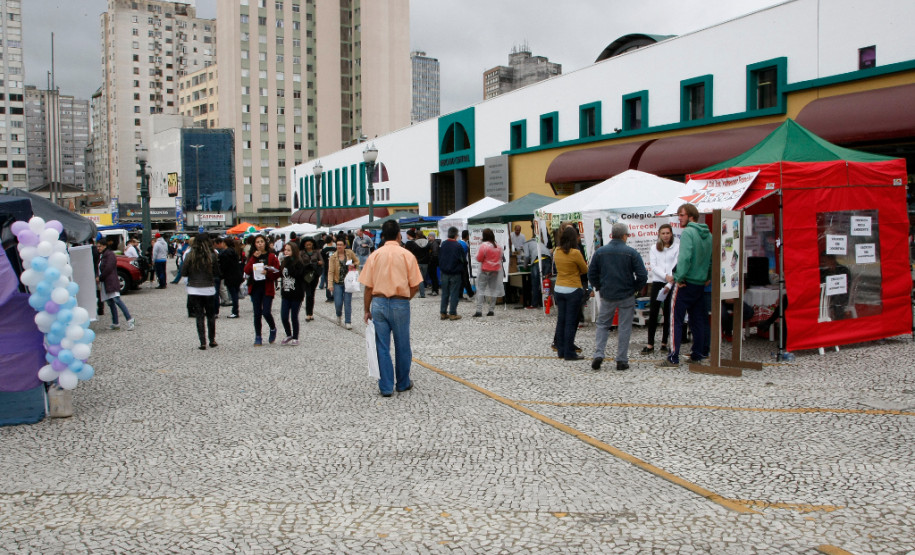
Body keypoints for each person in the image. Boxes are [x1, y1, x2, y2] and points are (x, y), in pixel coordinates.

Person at [359, 219, 423, 397]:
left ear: (383, 235)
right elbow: (416, 285)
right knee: (402, 345)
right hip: (400, 302)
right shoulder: (407, 255)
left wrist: (366, 309)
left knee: (382, 346)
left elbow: (368, 287)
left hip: (378, 302)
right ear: (398, 235)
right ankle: (402, 383)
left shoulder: (375, 255)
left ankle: (386, 387)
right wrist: (405, 299)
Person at [589, 223, 648, 371]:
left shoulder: (600, 252)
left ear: (611, 235)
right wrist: (634, 288)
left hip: (607, 293)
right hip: (626, 294)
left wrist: (599, 286)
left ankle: (599, 354)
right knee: (624, 327)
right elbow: (642, 275)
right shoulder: (632, 253)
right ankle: (621, 360)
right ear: (624, 236)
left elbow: (591, 273)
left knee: (603, 324)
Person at [659, 203, 712, 368]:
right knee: (699, 319)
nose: (679, 218)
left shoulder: (688, 232)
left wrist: (679, 277)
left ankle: (673, 357)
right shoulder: (708, 235)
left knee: (676, 318)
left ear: (691, 216)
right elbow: (711, 258)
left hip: (686, 281)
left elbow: (685, 257)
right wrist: (707, 276)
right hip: (700, 282)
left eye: (681, 215)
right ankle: (700, 353)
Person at [552, 226, 589, 361]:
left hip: (559, 288)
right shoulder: (575, 253)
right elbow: (584, 269)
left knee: (561, 321)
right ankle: (569, 352)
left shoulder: (557, 251)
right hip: (573, 288)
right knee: (571, 322)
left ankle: (561, 350)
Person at [642, 224, 678, 354]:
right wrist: (665, 276)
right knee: (654, 313)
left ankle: (664, 342)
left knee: (669, 312)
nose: (665, 236)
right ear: (659, 234)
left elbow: (676, 264)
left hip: (671, 283)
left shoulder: (676, 248)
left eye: (668, 233)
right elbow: (654, 266)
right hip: (658, 281)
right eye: (663, 233)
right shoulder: (654, 248)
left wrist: (670, 280)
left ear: (671, 234)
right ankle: (650, 343)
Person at [181, 232, 220, 350]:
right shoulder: (212, 255)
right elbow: (217, 272)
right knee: (210, 315)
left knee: (199, 316)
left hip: (194, 289)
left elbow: (184, 272)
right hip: (208, 288)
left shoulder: (190, 255)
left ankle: (202, 342)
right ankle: (212, 339)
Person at [243, 234, 281, 346]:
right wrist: (254, 258)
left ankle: (273, 328)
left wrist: (268, 272)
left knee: (266, 312)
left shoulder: (271, 256)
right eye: (257, 242)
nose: (260, 244)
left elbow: (277, 272)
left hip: (267, 287)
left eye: (261, 241)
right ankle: (258, 336)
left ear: (265, 243)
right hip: (255, 287)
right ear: (254, 244)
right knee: (257, 313)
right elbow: (247, 270)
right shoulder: (252, 256)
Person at [97, 237, 135, 331]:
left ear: (105, 246)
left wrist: (100, 277)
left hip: (110, 281)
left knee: (117, 300)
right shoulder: (103, 255)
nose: (98, 248)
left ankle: (129, 319)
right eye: (97, 246)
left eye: (100, 246)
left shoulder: (109, 255)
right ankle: (115, 322)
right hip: (106, 282)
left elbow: (108, 268)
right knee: (111, 303)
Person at [328, 237, 360, 329]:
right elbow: (330, 272)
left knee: (347, 302)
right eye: (338, 245)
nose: (339, 246)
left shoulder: (349, 253)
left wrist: (353, 265)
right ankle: (338, 315)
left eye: (341, 245)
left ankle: (348, 321)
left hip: (348, 282)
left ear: (344, 246)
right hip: (338, 282)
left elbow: (357, 261)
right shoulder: (333, 257)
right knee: (338, 303)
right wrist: (330, 284)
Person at [473, 228, 505, 317]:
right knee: (493, 290)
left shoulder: (483, 246)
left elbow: (479, 258)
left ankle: (479, 311)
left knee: (481, 290)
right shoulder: (498, 246)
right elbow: (500, 258)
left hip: (484, 270)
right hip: (495, 271)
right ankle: (491, 310)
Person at [279, 241, 306, 345]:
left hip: (296, 293)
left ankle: (295, 336)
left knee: (294, 316)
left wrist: (290, 262)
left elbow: (296, 274)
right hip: (286, 292)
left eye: (288, 250)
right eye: (285, 249)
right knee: (284, 316)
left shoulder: (299, 263)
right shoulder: (284, 261)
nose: (286, 252)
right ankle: (288, 334)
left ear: (294, 251)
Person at [438, 226, 465, 320]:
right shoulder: (458, 246)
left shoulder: (443, 244)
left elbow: (439, 257)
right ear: (456, 235)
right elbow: (462, 259)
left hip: (444, 272)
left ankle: (443, 312)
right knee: (454, 293)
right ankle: (452, 313)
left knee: (445, 293)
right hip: (455, 272)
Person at [217, 236, 243, 319]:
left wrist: (221, 275)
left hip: (230, 276)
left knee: (233, 294)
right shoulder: (234, 252)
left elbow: (223, 266)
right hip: (237, 275)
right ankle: (235, 310)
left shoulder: (225, 253)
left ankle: (235, 311)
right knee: (235, 293)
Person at [522, 234, 551, 309]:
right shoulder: (539, 242)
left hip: (537, 261)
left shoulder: (526, 243)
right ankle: (545, 303)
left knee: (535, 283)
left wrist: (525, 266)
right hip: (548, 259)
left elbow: (527, 256)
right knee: (545, 283)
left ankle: (534, 304)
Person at [404, 228, 431, 298]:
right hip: (426, 262)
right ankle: (422, 291)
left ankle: (422, 293)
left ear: (416, 236)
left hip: (417, 262)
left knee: (420, 278)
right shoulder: (428, 243)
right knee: (423, 277)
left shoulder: (414, 243)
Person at [300, 237, 322, 322]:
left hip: (314, 274)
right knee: (308, 294)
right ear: (304, 245)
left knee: (312, 294)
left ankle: (311, 313)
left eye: (310, 244)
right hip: (305, 275)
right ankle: (308, 313)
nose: (308, 246)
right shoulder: (301, 253)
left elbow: (322, 262)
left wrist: (319, 263)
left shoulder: (317, 252)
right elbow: (299, 262)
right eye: (307, 245)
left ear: (312, 244)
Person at [459, 229, 475, 299]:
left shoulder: (459, 242)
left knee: (462, 280)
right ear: (467, 236)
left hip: (458, 264)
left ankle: (461, 294)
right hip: (462, 264)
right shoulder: (465, 245)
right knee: (465, 279)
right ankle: (470, 293)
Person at [320, 235, 336, 302]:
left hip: (327, 267)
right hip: (335, 267)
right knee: (335, 282)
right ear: (332, 241)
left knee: (328, 283)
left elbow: (322, 259)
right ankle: (335, 296)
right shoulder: (335, 249)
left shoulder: (323, 250)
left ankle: (329, 297)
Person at [427, 231, 440, 296]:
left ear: (433, 237)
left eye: (429, 236)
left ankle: (435, 290)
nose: (428, 237)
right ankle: (433, 290)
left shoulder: (434, 244)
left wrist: (431, 260)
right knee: (432, 277)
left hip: (433, 263)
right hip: (432, 262)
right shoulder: (431, 243)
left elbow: (435, 254)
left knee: (434, 277)